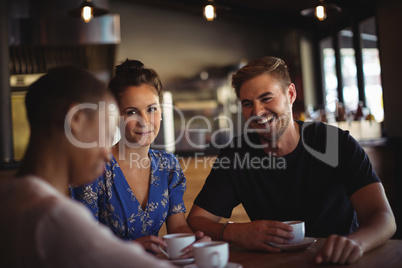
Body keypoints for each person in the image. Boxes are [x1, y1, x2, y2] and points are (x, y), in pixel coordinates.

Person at [187, 56, 396, 265]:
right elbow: (197, 220)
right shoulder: (236, 155)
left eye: (267, 98)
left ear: (291, 94)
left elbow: (383, 218)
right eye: (248, 104)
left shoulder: (335, 143)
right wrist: (233, 231)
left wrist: (357, 243)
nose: (257, 112)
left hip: (338, 261)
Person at [0, 67, 174, 267]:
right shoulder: (57, 219)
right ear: (76, 120)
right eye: (106, 135)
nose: (107, 154)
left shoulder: (9, 199)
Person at [70, 59, 209, 256]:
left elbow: (178, 227)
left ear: (161, 112)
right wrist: (128, 249)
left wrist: (195, 242)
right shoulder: (92, 168)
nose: (144, 122)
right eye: (132, 112)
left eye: (151, 109)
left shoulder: (168, 165)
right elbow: (80, 243)